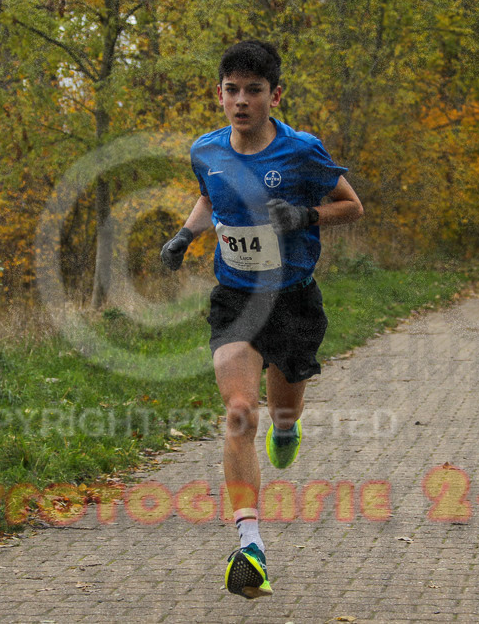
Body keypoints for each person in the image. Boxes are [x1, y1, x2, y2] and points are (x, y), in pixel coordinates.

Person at [159, 40, 364, 599]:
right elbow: (210, 198)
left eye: (254, 90)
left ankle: (289, 426)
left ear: (274, 96)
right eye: (232, 90)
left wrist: (306, 214)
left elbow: (352, 205)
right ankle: (250, 544)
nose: (241, 101)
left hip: (293, 300)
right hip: (236, 299)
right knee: (239, 410)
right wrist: (184, 234)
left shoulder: (301, 152)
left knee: (281, 410)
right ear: (219, 94)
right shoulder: (206, 150)